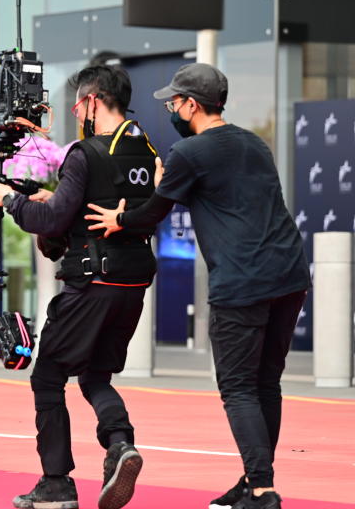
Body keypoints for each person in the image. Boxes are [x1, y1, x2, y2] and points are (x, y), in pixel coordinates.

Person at [85, 63, 309, 509]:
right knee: (266, 383)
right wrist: (170, 178)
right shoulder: (253, 144)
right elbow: (222, 195)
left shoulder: (190, 152)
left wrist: (119, 218)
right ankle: (253, 480)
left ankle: (262, 492)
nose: (171, 108)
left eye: (174, 102)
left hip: (242, 281)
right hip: (289, 275)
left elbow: (153, 213)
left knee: (239, 387)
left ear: (191, 104)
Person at [0, 65, 157, 509]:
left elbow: (54, 221)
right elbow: (99, 208)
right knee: (96, 373)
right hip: (133, 282)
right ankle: (120, 444)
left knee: (48, 376)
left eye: (79, 103)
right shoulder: (147, 151)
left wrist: (9, 199)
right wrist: (53, 200)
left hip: (92, 282)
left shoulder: (85, 152)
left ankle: (56, 483)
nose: (78, 110)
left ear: (94, 101)